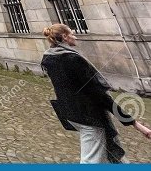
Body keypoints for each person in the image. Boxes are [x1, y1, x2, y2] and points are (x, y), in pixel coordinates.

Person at [41, 24, 151, 163]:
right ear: (64, 36)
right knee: (90, 160)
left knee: (111, 157)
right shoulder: (73, 59)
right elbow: (100, 95)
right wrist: (136, 124)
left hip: (71, 115)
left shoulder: (48, 58)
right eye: (72, 33)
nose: (75, 36)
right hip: (89, 117)